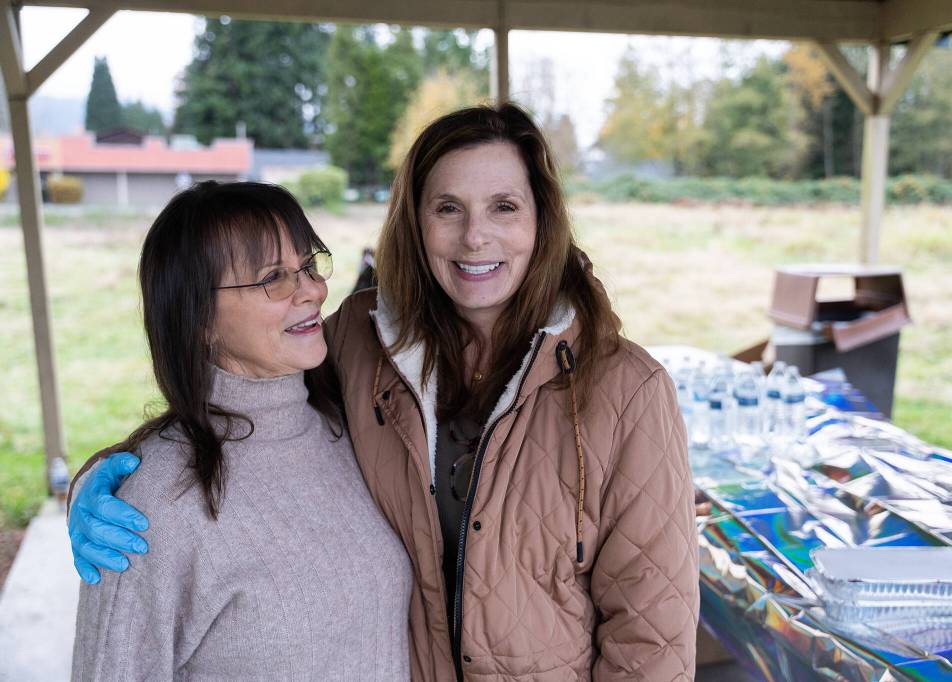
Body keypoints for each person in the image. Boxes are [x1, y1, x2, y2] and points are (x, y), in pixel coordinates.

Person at [70, 104, 699, 680]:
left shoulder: (626, 391)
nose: (475, 236)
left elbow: (653, 637)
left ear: (542, 220)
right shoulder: (361, 343)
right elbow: (249, 405)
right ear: (417, 223)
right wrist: (110, 482)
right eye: (447, 208)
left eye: (504, 206)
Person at [69, 182, 412, 680]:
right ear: (199, 318)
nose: (314, 289)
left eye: (308, 265)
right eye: (273, 278)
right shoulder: (146, 511)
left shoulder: (354, 426)